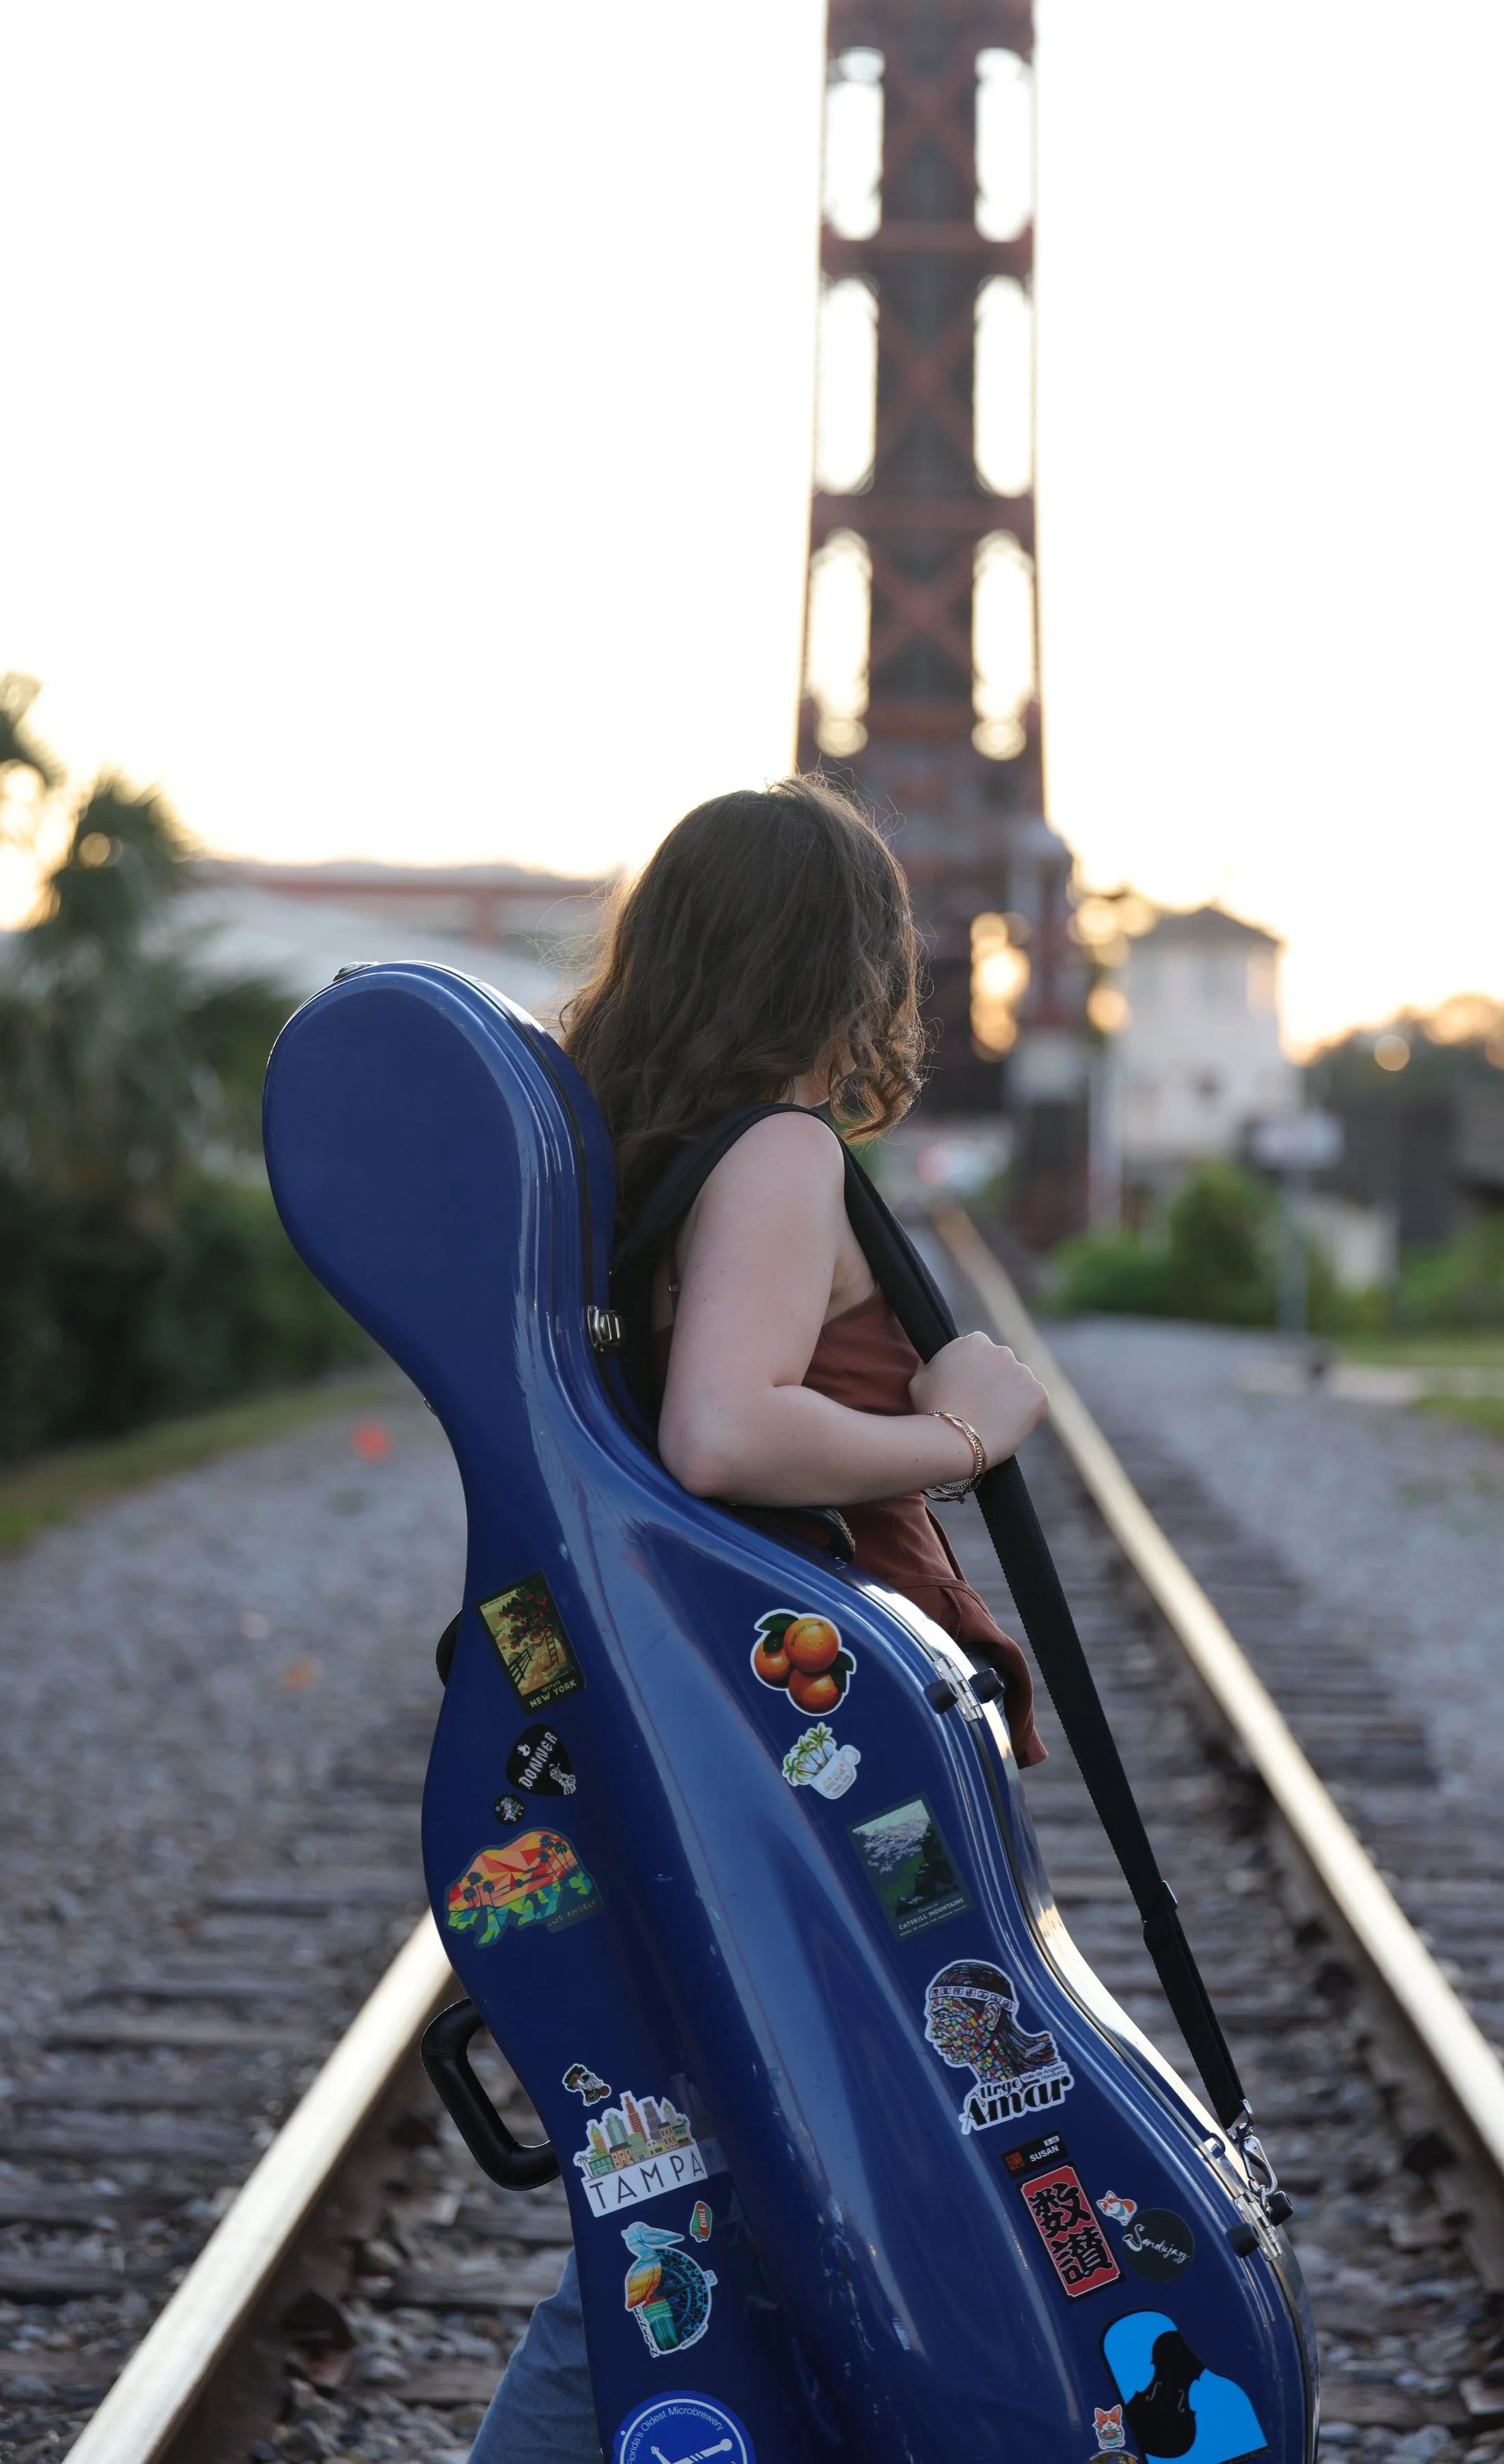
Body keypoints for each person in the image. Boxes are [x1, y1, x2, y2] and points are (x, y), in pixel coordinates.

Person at [465, 777, 1048, 2463]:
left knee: (711, 2182)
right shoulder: (782, 1151)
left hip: (703, 1719)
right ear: (842, 962)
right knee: (769, 2181)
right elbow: (722, 1428)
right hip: (818, 1752)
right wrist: (959, 1431)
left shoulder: (611, 1150)